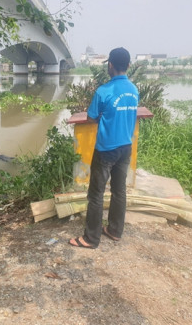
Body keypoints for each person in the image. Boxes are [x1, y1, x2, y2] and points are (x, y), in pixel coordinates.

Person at [69, 47, 139, 249]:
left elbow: (91, 117)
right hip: (126, 146)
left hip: (106, 149)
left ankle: (91, 239)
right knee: (119, 190)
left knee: (96, 194)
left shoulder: (104, 91)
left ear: (110, 65)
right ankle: (115, 231)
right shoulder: (134, 90)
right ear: (128, 66)